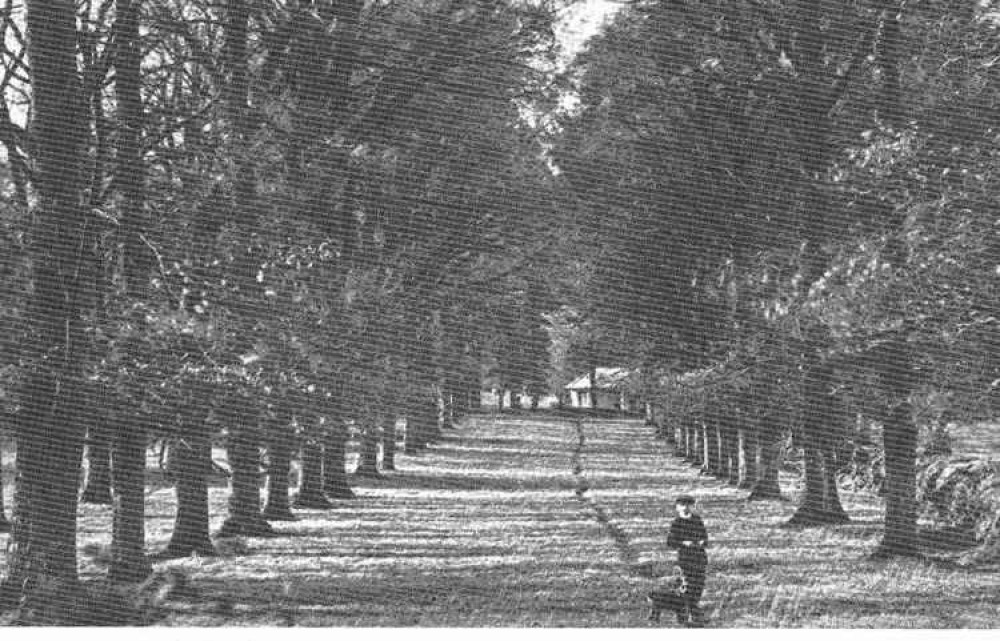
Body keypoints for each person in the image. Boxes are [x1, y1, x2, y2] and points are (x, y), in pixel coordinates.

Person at [666, 494, 708, 626]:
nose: (685, 508)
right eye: (682, 505)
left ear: (693, 506)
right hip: (685, 558)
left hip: (699, 557)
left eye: (688, 505)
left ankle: (693, 608)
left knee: (699, 584)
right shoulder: (676, 523)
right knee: (687, 584)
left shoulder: (697, 520)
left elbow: (705, 537)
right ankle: (689, 612)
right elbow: (671, 542)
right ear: (677, 507)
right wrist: (684, 543)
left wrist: (702, 542)